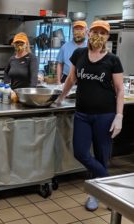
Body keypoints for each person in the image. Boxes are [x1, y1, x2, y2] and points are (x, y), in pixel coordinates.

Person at [56, 20, 124, 211]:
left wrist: (119, 116)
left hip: (105, 115)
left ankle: (95, 196)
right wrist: (60, 97)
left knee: (102, 157)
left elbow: (119, 90)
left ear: (107, 37)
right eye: (95, 31)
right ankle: (112, 186)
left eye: (103, 32)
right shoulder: (79, 54)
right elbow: (71, 79)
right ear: (89, 34)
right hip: (83, 114)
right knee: (80, 152)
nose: (98, 35)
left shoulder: (112, 60)